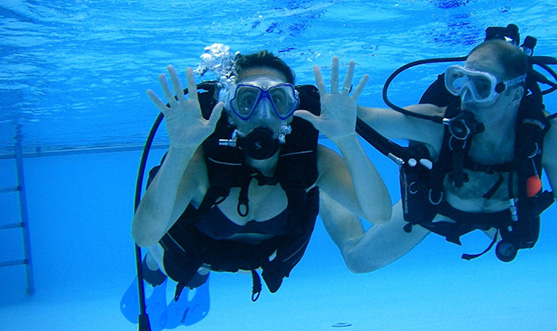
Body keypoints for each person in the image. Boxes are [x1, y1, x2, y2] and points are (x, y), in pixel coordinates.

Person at [319, 39, 557, 330]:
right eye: (459, 80)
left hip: (504, 215)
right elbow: (372, 119)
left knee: (517, 240)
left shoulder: (546, 138)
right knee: (356, 261)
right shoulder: (438, 124)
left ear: (514, 95)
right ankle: (322, 185)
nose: (466, 96)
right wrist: (343, 112)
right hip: (439, 206)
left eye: (481, 86)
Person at [130, 50, 391, 303]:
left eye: (278, 99)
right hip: (196, 254)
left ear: (293, 107)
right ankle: (154, 266)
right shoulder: (200, 163)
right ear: (229, 107)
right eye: (247, 100)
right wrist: (180, 151)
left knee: (195, 273)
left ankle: (192, 275)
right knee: (173, 267)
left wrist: (347, 139)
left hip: (259, 259)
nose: (263, 114)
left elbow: (379, 214)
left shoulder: (313, 162)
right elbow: (145, 235)